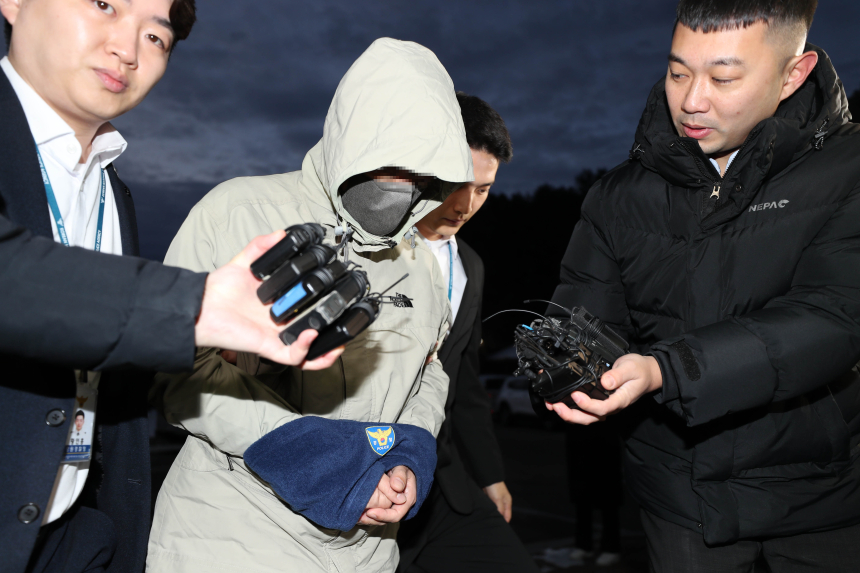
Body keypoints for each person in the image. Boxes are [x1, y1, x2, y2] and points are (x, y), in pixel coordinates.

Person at [0, 2, 340, 572]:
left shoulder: (114, 194)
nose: (128, 49)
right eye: (104, 4)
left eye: (156, 35)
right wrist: (198, 306)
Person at [547, 0, 860, 571]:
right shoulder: (617, 194)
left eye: (723, 77)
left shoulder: (850, 167)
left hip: (826, 499)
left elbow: (834, 317)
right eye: (677, 72)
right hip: (678, 502)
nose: (692, 100)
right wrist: (571, 370)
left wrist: (666, 370)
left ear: (794, 73)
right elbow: (582, 318)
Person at [146, 38, 473, 573]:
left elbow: (429, 372)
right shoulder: (237, 214)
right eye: (390, 166)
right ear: (353, 142)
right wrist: (318, 463)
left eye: (421, 175)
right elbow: (177, 365)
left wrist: (408, 454)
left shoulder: (422, 264)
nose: (403, 191)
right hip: (232, 537)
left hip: (367, 551)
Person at [394, 92, 537, 573]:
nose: (468, 204)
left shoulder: (470, 267)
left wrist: (491, 475)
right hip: (370, 477)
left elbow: (467, 384)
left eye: (484, 189)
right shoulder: (378, 246)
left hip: (445, 480)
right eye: (459, 184)